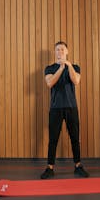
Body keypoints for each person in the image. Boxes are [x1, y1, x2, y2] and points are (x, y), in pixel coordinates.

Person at [40, 41, 89, 179]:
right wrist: (61, 68)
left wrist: (67, 66)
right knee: (53, 139)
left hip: (71, 107)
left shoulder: (75, 67)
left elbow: (76, 81)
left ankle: (78, 165)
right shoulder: (49, 68)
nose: (60, 52)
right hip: (55, 108)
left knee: (74, 137)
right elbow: (50, 83)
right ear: (54, 53)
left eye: (62, 49)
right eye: (57, 50)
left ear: (66, 52)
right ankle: (50, 168)